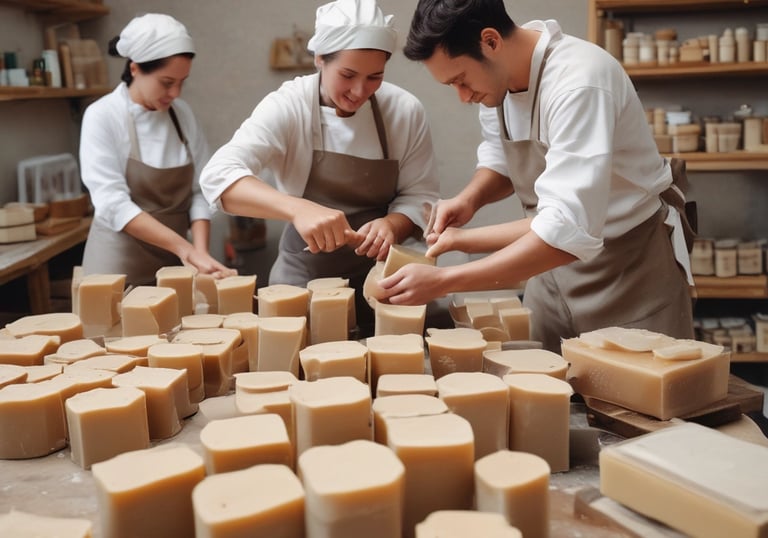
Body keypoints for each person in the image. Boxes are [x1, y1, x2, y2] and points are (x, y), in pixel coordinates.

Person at [379, 0, 695, 352]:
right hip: (548, 265)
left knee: (641, 397)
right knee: (547, 388)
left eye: (461, 80)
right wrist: (469, 199)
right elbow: (502, 158)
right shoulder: (496, 85)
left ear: (491, 41)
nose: (462, 96)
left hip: (629, 269)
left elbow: (567, 227)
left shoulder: (579, 82)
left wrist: (444, 280)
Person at [200, 0, 439, 330]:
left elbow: (421, 194)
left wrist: (393, 225)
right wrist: (298, 209)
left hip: (382, 277)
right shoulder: (289, 106)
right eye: (347, 75)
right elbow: (218, 176)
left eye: (375, 77)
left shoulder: (404, 111)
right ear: (319, 59)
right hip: (304, 276)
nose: (359, 91)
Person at [80, 13, 234, 287]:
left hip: (175, 264)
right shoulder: (102, 115)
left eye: (182, 82)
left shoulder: (182, 115)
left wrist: (199, 252)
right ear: (136, 68)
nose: (176, 93)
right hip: (117, 265)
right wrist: (185, 249)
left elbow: (201, 191)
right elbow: (112, 204)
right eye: (167, 82)